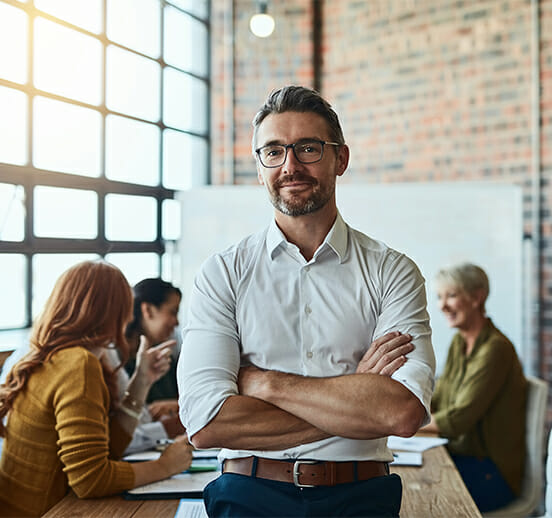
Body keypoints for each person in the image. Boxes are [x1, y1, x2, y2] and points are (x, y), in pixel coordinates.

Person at [177, 85, 436, 518]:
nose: (290, 166)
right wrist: (355, 391)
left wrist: (264, 383)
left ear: (341, 158)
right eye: (273, 152)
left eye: (308, 149)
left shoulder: (393, 271)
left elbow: (402, 411)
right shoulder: (223, 273)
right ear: (260, 168)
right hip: (248, 494)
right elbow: (206, 425)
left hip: (361, 498)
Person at [0, 261, 193, 517]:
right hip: (47, 511)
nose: (128, 316)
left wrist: (140, 382)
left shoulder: (54, 355)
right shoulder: (78, 364)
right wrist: (166, 466)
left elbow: (106, 450)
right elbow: (90, 480)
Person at [420, 262, 527, 512]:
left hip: (492, 473)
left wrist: (405, 422)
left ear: (477, 297)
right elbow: (438, 399)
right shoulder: (460, 342)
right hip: (462, 458)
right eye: (440, 297)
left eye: (452, 295)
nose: (442, 305)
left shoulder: (496, 349)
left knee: (416, 495)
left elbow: (458, 420)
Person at [107, 278, 185, 452]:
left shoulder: (167, 354)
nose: (176, 322)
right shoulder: (112, 358)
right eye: (172, 312)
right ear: (148, 310)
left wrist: (177, 405)